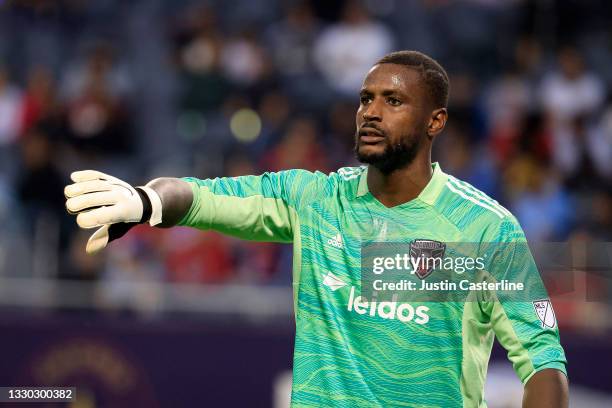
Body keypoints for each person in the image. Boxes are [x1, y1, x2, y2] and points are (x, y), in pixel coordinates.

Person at [64, 50, 568, 407]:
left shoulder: (483, 229)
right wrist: (146, 200)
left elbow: (543, 360)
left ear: (435, 122)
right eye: (365, 98)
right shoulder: (316, 200)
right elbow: (202, 197)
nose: (371, 111)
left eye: (393, 101)